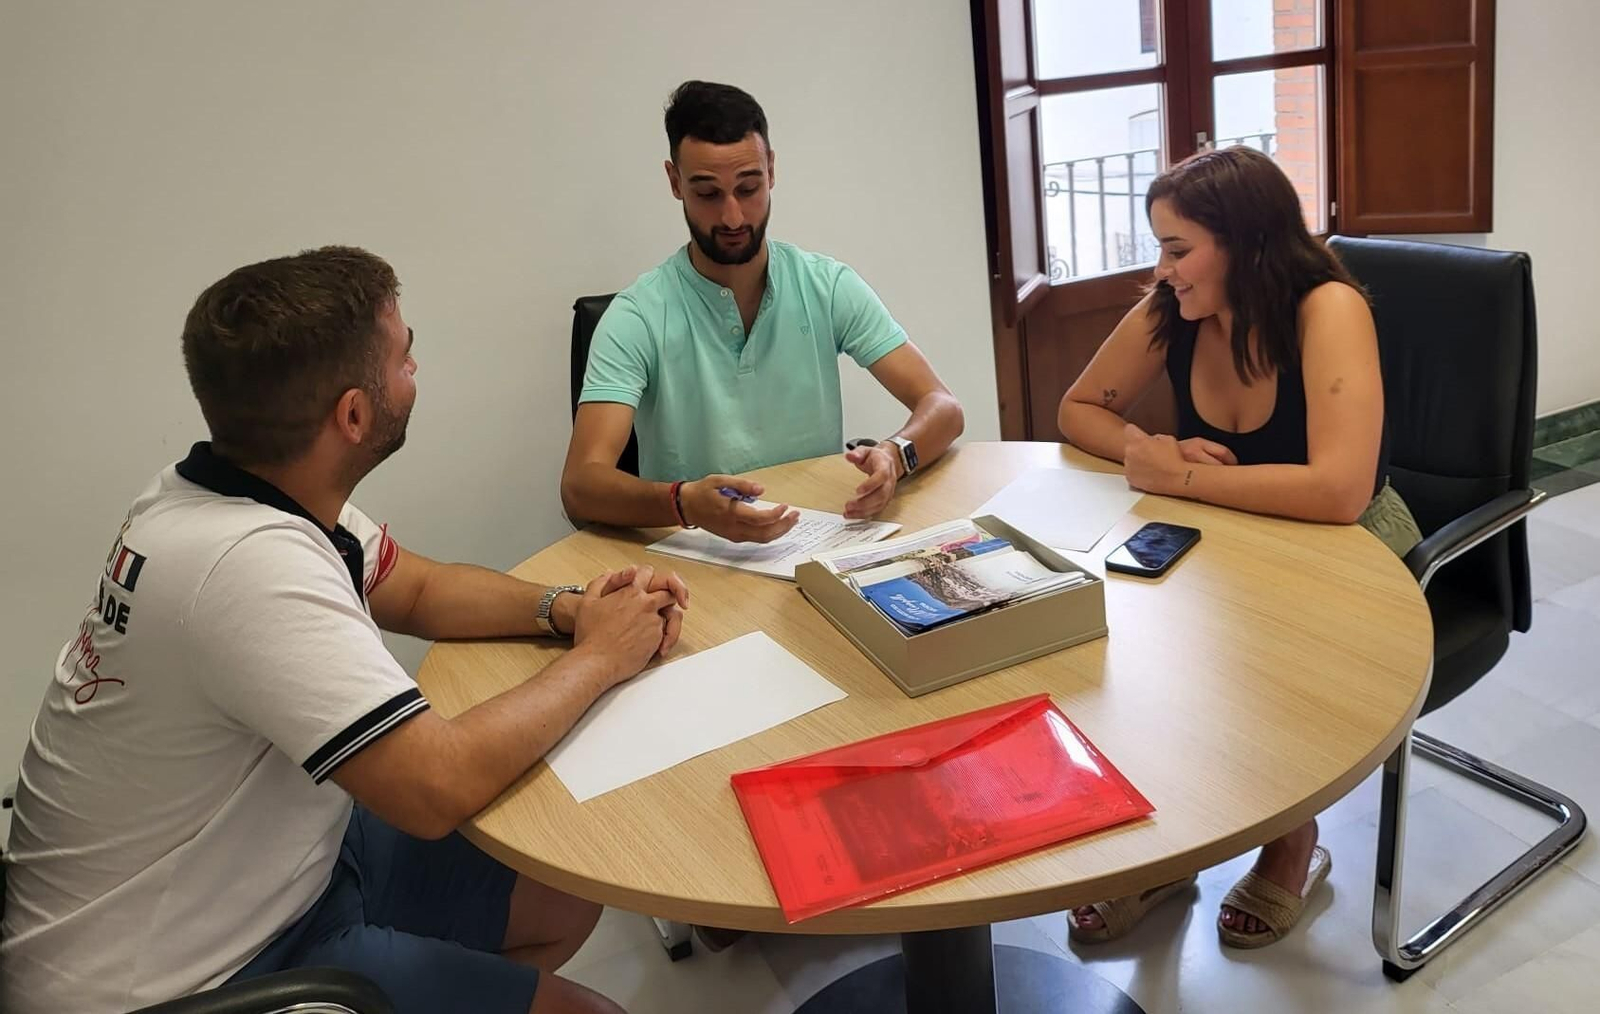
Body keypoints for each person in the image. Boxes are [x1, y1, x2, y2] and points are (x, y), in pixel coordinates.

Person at [0, 247, 687, 1014]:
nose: (417, 368)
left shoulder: (236, 490)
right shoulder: (245, 568)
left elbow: (418, 588)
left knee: (561, 896)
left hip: (279, 863)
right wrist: (601, 656)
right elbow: (437, 785)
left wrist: (568, 608)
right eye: (405, 355)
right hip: (187, 973)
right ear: (354, 414)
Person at [1056, 147, 1422, 949]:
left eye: (1179, 249)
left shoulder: (1326, 308)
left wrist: (1179, 479)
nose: (1165, 269)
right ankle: (1172, 839)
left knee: (1255, 653)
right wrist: (1150, 448)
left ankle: (1293, 836)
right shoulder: (1174, 306)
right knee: (1126, 636)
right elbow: (1079, 407)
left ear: (1247, 243)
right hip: (1236, 530)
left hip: (1352, 544)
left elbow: (1338, 492)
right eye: (1161, 248)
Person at [561, 80, 965, 543]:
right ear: (675, 182)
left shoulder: (826, 285)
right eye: (708, 194)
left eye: (748, 188)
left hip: (816, 540)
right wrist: (683, 501)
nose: (733, 217)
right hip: (694, 560)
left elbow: (944, 408)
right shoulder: (637, 317)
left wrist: (897, 455)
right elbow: (580, 485)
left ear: (771, 170)